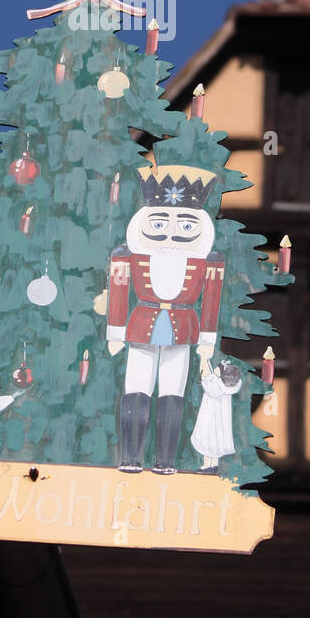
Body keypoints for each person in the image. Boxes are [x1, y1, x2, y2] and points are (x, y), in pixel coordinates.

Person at [106, 163, 225, 474]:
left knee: (172, 395)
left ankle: (165, 461)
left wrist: (208, 339)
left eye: (185, 226)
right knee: (136, 390)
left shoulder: (208, 261)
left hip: (183, 330)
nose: (172, 232)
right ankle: (131, 457)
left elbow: (211, 299)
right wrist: (115, 332)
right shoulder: (129, 255)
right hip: (141, 326)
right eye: (160, 224)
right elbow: (119, 291)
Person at [191, 360, 242, 473]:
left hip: (209, 417)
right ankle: (214, 464)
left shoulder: (215, 384)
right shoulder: (227, 387)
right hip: (220, 420)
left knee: (207, 439)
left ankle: (207, 464)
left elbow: (210, 387)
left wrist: (207, 378)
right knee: (216, 441)